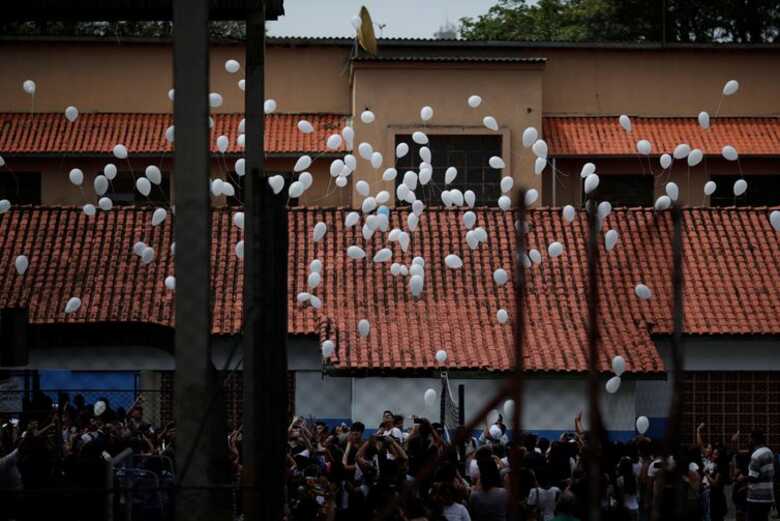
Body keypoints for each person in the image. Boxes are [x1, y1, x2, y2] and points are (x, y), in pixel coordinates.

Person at [746, 431, 774, 521]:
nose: (748, 441)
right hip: (768, 496)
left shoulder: (756, 455)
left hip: (756, 497)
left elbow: (753, 477)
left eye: (750, 439)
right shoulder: (769, 452)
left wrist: (743, 478)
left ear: (754, 440)